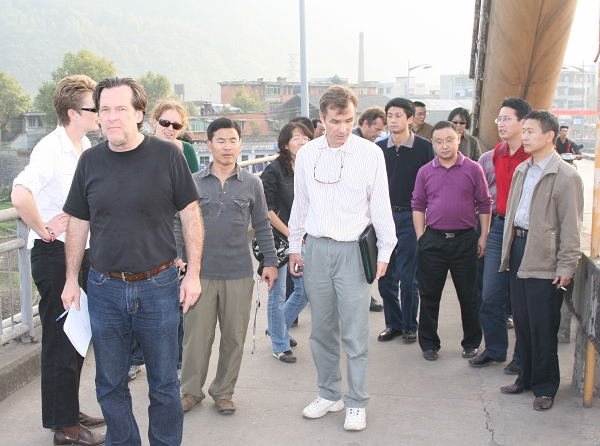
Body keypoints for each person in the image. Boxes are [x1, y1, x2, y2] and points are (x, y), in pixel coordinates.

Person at [61, 77, 203, 445]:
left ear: (139, 114)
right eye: (105, 109)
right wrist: (70, 279)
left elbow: (190, 214)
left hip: (159, 286)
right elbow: (78, 222)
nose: (112, 117)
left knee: (164, 383)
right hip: (104, 287)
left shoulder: (168, 155)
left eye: (121, 109)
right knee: (109, 382)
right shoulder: (90, 161)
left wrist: (193, 274)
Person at [288, 86, 396, 431]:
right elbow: (301, 203)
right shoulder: (307, 154)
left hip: (353, 251)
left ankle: (356, 400)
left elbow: (381, 205)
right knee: (321, 329)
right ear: (322, 118)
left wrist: (385, 251)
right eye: (335, 121)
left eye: (348, 120)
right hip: (317, 249)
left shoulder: (370, 154)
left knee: (354, 331)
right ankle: (329, 393)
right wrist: (294, 245)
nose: (342, 128)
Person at [11, 75, 106, 446]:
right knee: (62, 341)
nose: (100, 113)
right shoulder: (51, 149)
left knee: (77, 337)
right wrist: (44, 229)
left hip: (79, 252)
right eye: (93, 108)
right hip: (55, 255)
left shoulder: (82, 146)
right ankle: (65, 429)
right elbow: (21, 195)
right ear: (72, 113)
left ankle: (68, 410)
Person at [179, 117, 278, 415]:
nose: (227, 146)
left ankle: (223, 391)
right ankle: (190, 391)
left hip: (238, 273)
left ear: (240, 144)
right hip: (199, 274)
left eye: (232, 140)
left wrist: (270, 261)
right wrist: (178, 259)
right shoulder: (192, 182)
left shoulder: (252, 183)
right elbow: (177, 224)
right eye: (220, 140)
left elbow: (262, 224)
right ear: (208, 145)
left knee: (234, 338)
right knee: (196, 339)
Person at [499, 110, 583, 411]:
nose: (525, 137)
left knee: (543, 325)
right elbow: (513, 213)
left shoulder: (567, 176)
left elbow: (571, 227)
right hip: (519, 249)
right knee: (522, 322)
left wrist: (566, 266)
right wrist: (508, 252)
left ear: (549, 136)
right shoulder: (523, 169)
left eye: (530, 132)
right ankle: (525, 378)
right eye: (524, 131)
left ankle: (546, 387)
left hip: (545, 258)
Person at [127, 99, 200, 382]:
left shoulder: (186, 152)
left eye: (176, 125)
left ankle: (177, 362)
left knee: (176, 300)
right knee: (137, 296)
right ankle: (135, 358)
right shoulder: (139, 148)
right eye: (165, 122)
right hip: (144, 234)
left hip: (177, 232)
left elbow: (191, 199)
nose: (170, 129)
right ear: (153, 121)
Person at [412, 121, 491, 361]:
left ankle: (471, 343)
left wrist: (483, 236)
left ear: (458, 139)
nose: (444, 146)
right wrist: (421, 237)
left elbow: (485, 203)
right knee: (429, 295)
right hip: (433, 241)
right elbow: (418, 204)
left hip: (465, 240)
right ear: (433, 143)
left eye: (449, 140)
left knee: (468, 295)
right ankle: (429, 343)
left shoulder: (473, 169)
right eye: (438, 141)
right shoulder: (425, 171)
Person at [468, 97, 532, 373]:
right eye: (499, 119)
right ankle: (494, 349)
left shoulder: (534, 156)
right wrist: (484, 233)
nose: (501, 124)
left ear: (523, 123)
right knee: (490, 295)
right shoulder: (496, 153)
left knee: (520, 299)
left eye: (507, 119)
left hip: (527, 232)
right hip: (498, 227)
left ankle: (521, 357)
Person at [376, 98, 434, 343]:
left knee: (408, 277)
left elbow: (432, 183)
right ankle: (394, 324)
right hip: (384, 218)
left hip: (412, 216)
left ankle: (410, 325)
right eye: (389, 115)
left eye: (398, 115)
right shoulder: (379, 148)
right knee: (385, 278)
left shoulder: (425, 148)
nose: (393, 120)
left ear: (410, 118)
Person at [261, 121, 311, 363]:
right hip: (279, 239)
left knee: (305, 290)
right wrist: (292, 235)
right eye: (297, 138)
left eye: (306, 138)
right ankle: (280, 345)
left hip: (304, 238)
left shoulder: (310, 167)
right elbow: (267, 209)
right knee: (278, 292)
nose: (302, 143)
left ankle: (276, 328)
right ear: (285, 144)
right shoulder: (274, 171)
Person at [350, 107, 388, 312]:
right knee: (360, 263)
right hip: (354, 220)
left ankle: (365, 296)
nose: (379, 134)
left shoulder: (367, 147)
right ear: (365, 123)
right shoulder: (358, 147)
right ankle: (363, 298)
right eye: (377, 129)